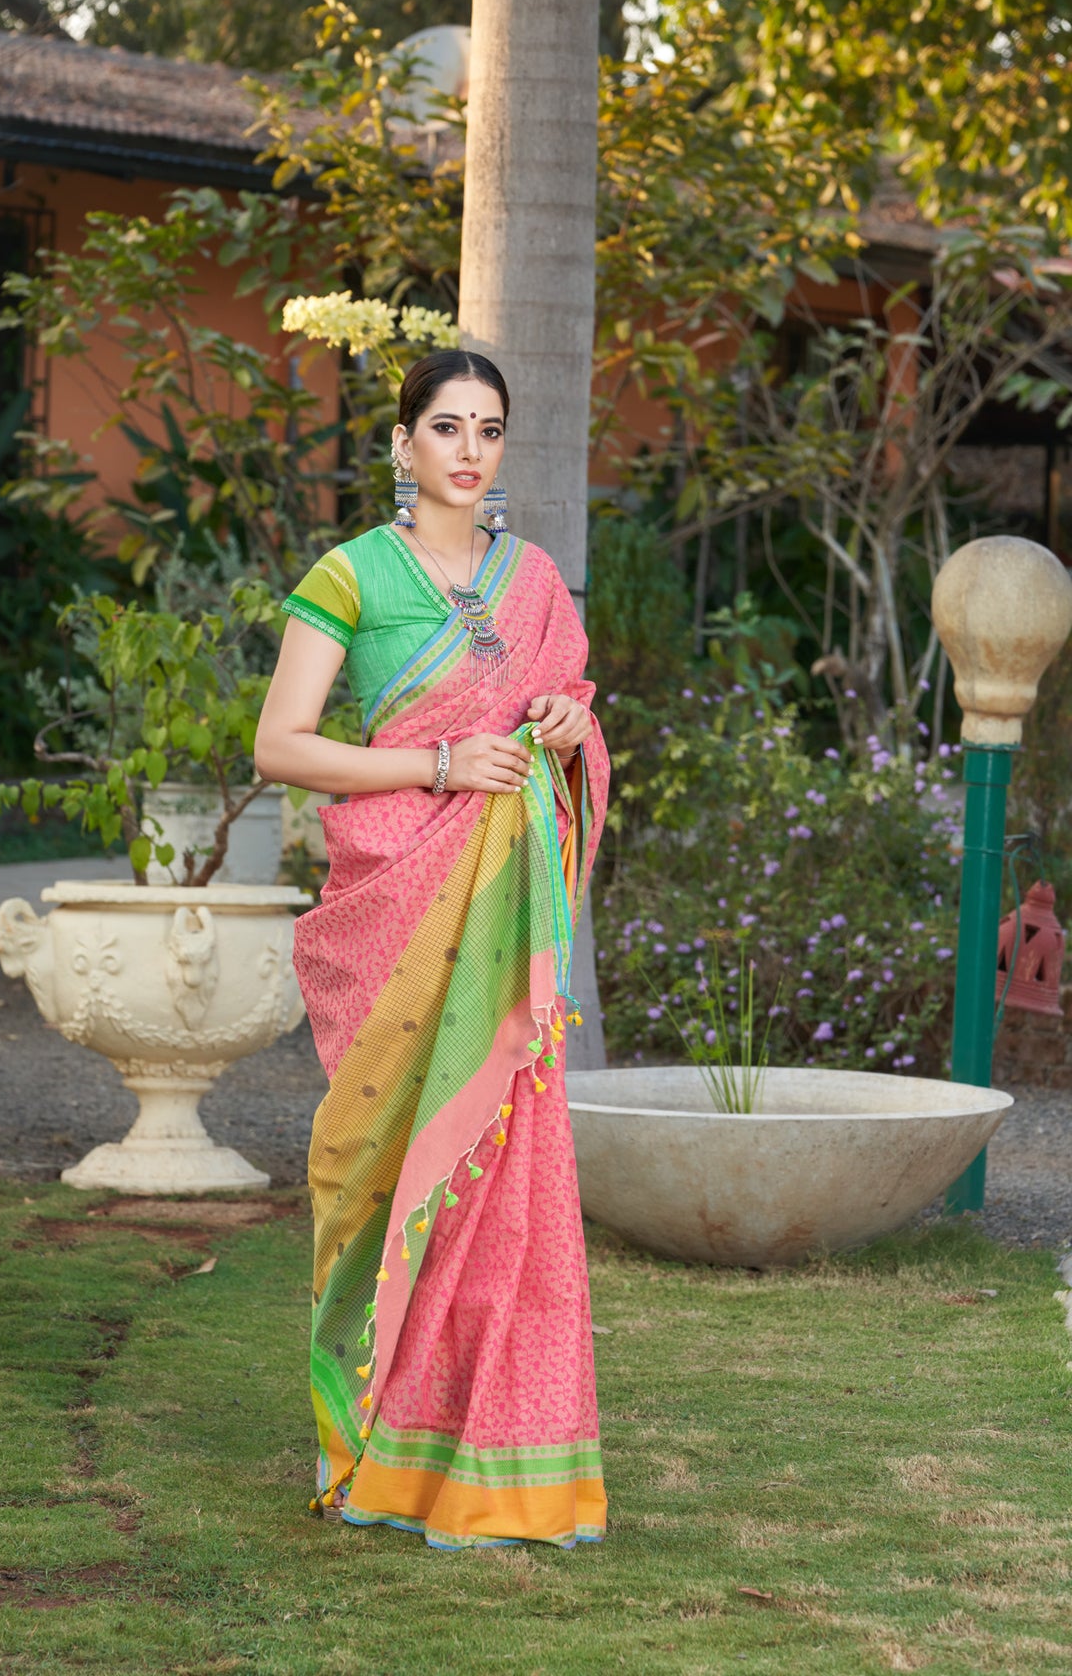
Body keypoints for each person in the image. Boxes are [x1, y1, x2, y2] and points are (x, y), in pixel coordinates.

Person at [254, 348, 611, 1551]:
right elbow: (283, 745)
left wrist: (568, 722)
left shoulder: (538, 579)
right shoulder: (353, 576)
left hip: (506, 919)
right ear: (403, 444)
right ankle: (375, 1446)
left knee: (505, 1175)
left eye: (490, 429)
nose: (469, 449)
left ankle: (494, 1461)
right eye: (446, 426)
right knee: (393, 1162)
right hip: (401, 902)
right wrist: (440, 764)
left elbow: (569, 708)